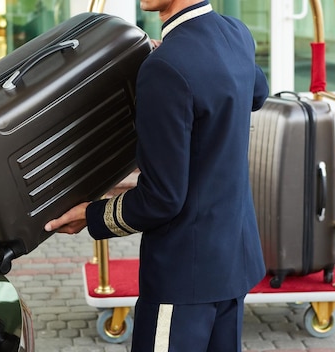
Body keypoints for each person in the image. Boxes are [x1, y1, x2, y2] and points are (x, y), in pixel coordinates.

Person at [45, 0, 269, 350]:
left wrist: (91, 215)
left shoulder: (165, 67)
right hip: (232, 265)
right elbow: (258, 92)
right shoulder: (235, 34)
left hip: (183, 275)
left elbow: (161, 199)